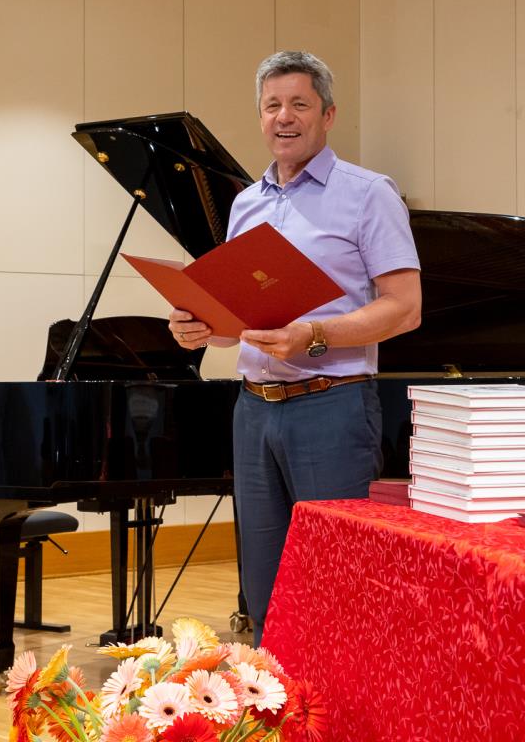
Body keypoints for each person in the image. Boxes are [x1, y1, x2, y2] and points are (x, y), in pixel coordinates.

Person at [168, 51, 422, 645]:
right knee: (263, 589)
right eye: (272, 105)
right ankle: (273, 698)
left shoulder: (369, 194)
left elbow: (406, 308)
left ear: (327, 115)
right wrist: (202, 327)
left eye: (299, 104)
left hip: (331, 406)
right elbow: (239, 322)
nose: (284, 117)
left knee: (338, 585)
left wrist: (315, 335)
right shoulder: (246, 203)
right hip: (253, 410)